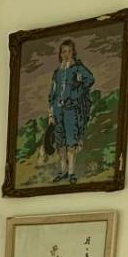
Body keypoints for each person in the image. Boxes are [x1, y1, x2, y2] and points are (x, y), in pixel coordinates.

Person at [48, 38, 94, 183]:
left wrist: (76, 93)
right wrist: (51, 113)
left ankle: (72, 173)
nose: (66, 54)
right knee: (60, 142)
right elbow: (53, 92)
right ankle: (63, 171)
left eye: (69, 51)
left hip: (71, 110)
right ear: (60, 54)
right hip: (58, 111)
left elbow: (90, 79)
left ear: (73, 52)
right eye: (63, 52)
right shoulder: (57, 72)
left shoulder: (77, 69)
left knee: (71, 141)